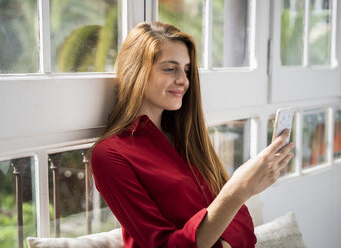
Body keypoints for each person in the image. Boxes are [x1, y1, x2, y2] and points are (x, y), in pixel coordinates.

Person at [90, 22, 294, 248]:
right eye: (170, 69)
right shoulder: (110, 155)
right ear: (136, 71)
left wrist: (236, 196)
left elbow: (242, 223)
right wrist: (238, 190)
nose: (183, 80)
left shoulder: (187, 137)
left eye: (186, 70)